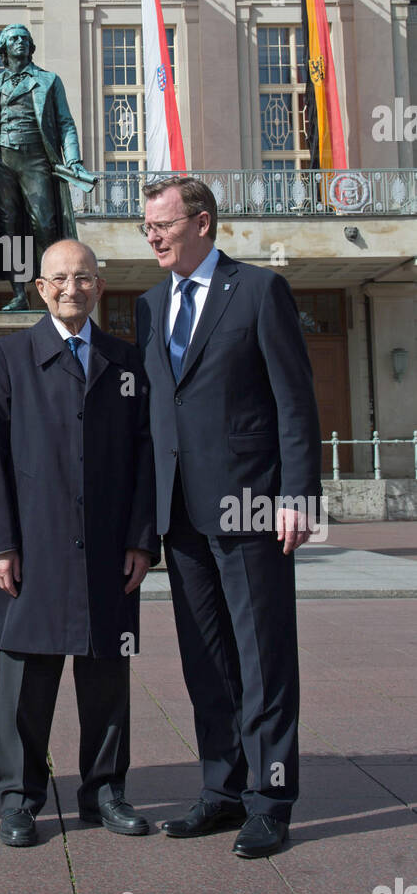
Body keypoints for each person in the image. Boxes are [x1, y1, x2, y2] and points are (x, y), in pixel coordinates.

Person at [135, 176, 322, 859]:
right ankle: (222, 789)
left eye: (163, 224)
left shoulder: (259, 291)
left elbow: (294, 403)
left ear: (203, 223)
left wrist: (299, 496)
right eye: (146, 227)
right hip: (179, 514)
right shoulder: (150, 307)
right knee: (206, 661)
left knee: (263, 658)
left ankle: (271, 802)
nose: (152, 236)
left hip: (251, 507)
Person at [0, 238, 158, 846]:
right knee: (27, 678)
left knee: (106, 675)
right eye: (59, 279)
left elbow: (146, 457)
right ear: (40, 288)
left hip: (108, 548)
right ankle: (20, 798)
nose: (71, 288)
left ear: (98, 287)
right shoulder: (10, 356)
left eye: (83, 278)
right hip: (33, 546)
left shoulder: (127, 362)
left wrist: (140, 539)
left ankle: (104, 792)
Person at [0, 24, 93, 311]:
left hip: (35, 159)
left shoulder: (49, 80)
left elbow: (65, 123)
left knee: (45, 224)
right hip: (2, 161)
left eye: (25, 39)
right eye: (14, 39)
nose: (21, 43)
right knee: (9, 227)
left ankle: (53, 286)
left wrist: (73, 159)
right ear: (3, 48)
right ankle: (18, 293)